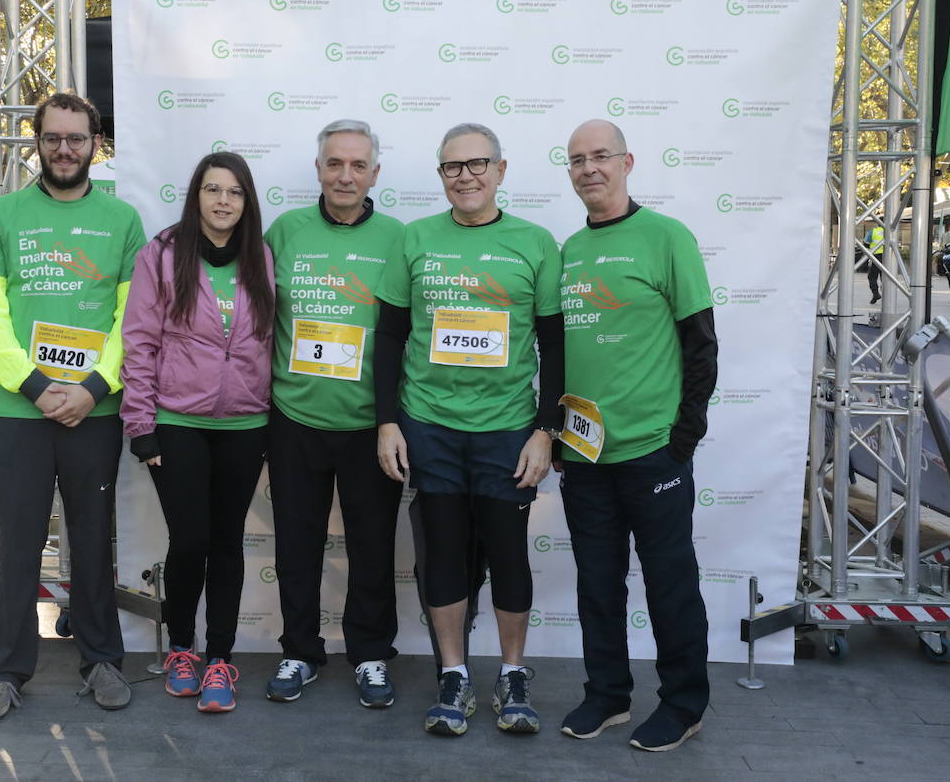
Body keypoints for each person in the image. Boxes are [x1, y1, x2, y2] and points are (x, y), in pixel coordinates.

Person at [374, 123, 563, 737]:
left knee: (509, 555)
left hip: (508, 429)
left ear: (501, 171)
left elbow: (557, 347)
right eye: (453, 167)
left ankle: (512, 673)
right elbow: (391, 337)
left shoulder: (535, 243)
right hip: (430, 427)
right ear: (441, 177)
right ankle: (453, 674)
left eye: (478, 164)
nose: (466, 176)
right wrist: (387, 422)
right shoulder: (416, 239)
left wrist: (546, 431)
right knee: (445, 555)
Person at [0, 91, 145, 722]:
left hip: (93, 413)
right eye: (53, 138)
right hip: (21, 412)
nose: (65, 150)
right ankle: (7, 669)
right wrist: (36, 386)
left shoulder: (122, 221)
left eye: (77, 139)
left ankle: (102, 660)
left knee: (93, 540)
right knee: (16, 544)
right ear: (36, 143)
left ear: (96, 143)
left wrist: (96, 387)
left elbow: (133, 317)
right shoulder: (1, 216)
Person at [556, 119, 717, 753]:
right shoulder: (567, 250)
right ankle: (607, 694)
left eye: (601, 157)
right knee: (597, 581)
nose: (589, 168)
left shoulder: (667, 237)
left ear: (627, 163)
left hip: (654, 451)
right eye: (577, 160)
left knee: (669, 582)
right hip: (586, 452)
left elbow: (701, 345)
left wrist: (683, 440)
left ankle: (683, 703)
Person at [121, 151, 274, 714]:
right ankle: (182, 649)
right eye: (213, 189)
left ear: (246, 199)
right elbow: (139, 343)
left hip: (245, 423)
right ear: (197, 195)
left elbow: (271, 344)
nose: (223, 201)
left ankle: (219, 659)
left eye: (234, 192)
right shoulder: (162, 254)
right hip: (177, 422)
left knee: (227, 542)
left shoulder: (261, 256)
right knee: (190, 542)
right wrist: (141, 425)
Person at [262, 120, 405, 708]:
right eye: (334, 163)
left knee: (373, 547)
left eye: (357, 165)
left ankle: (370, 654)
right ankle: (300, 650)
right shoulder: (284, 231)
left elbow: (409, 333)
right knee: (296, 543)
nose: (345, 175)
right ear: (318, 168)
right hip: (294, 417)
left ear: (375, 173)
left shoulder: (400, 238)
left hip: (372, 424)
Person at [866, 225, 885, 304]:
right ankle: (888, 296)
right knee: (886, 277)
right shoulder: (891, 232)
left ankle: (876, 294)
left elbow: (865, 243)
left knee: (872, 277)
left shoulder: (873, 231)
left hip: (876, 256)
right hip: (888, 257)